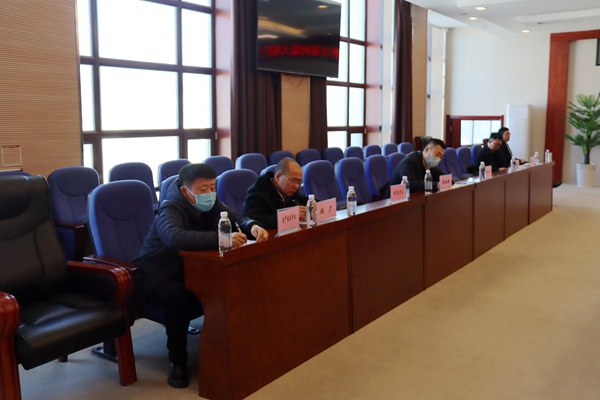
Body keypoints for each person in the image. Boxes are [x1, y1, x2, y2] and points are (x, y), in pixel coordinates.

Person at [133, 163, 268, 389]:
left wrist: (251, 225)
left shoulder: (210, 202)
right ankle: (177, 361)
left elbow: (235, 218)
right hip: (156, 274)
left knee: (233, 280)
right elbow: (174, 237)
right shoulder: (170, 207)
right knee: (180, 297)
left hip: (188, 267)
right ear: (185, 191)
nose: (210, 193)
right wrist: (221, 238)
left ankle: (231, 346)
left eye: (212, 187)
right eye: (203, 189)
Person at [242, 157, 309, 229]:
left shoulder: (289, 189)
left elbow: (303, 201)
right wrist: (291, 215)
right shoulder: (259, 191)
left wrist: (313, 205)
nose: (296, 186)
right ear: (277, 177)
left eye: (299, 182)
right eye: (293, 180)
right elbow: (253, 220)